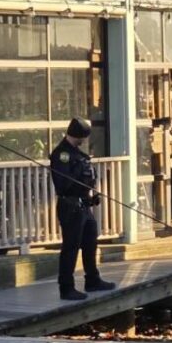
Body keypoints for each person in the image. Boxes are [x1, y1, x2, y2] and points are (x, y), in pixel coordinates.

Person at [49, 117, 115, 300]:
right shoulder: (61, 154)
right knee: (71, 247)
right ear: (77, 135)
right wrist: (78, 184)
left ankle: (92, 280)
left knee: (90, 242)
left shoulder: (77, 154)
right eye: (83, 137)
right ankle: (66, 287)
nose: (84, 141)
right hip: (70, 206)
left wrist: (89, 195)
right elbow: (62, 184)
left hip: (84, 205)